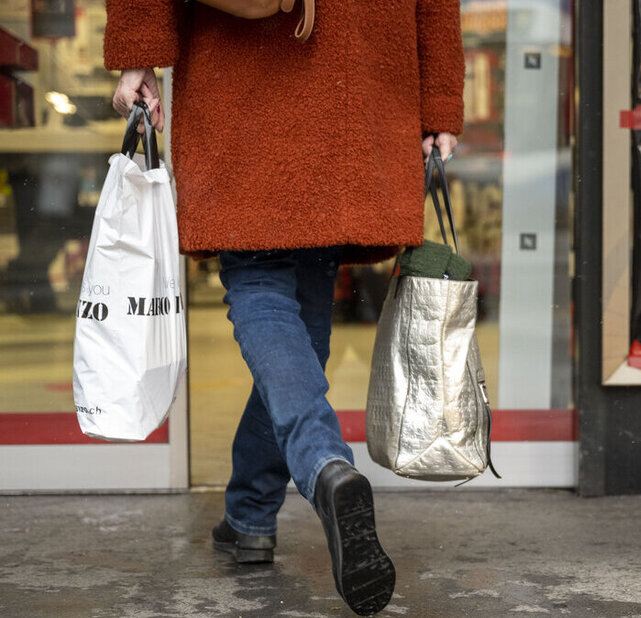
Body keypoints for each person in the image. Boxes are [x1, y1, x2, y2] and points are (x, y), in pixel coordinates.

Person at [103, 1, 464, 615]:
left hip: (240, 65)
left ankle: (319, 466)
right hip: (355, 72)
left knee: (263, 284)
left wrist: (139, 51)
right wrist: (438, 103)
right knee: (305, 324)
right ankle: (252, 511)